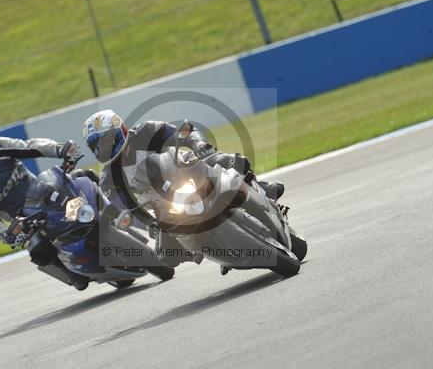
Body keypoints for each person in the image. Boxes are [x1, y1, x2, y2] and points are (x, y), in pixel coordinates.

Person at [81, 109, 284, 265]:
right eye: (97, 146)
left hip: (186, 167)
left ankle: (263, 191)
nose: (104, 149)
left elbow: (184, 133)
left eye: (107, 141)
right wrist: (149, 224)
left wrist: (200, 145)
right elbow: (124, 208)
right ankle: (216, 248)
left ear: (121, 131)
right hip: (163, 204)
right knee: (167, 256)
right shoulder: (108, 179)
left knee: (230, 161)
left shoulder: (146, 131)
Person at [0, 126, 87, 288]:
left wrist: (59, 149)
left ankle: (118, 212)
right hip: (28, 220)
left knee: (83, 178)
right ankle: (70, 272)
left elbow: (31, 146)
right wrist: (4, 233)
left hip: (47, 191)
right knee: (38, 250)